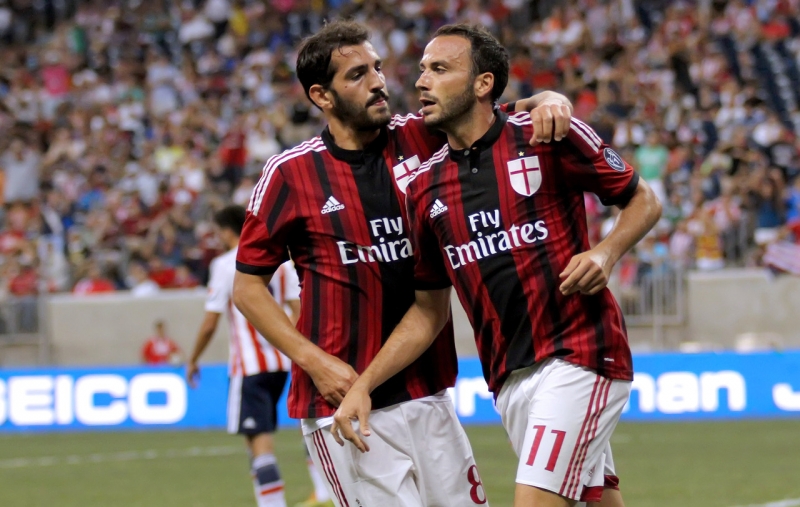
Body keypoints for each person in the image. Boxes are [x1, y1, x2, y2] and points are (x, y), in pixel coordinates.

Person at [232, 20, 573, 507]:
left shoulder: (424, 136)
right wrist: (315, 363)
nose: (378, 82)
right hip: (343, 406)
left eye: (376, 67)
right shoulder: (289, 174)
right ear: (321, 96)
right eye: (357, 75)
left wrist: (549, 100)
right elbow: (247, 289)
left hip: (427, 392)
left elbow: (497, 115)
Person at [331, 24, 662, 507]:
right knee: (596, 500)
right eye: (422, 70)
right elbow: (428, 310)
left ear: (483, 83)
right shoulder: (423, 188)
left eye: (439, 69)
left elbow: (642, 200)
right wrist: (363, 385)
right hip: (509, 377)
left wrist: (605, 252)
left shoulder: (548, 134)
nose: (422, 81)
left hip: (580, 355)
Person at [186, 205, 330, 507]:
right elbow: (298, 310)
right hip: (286, 361)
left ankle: (272, 504)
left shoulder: (226, 264)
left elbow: (211, 321)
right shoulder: (281, 263)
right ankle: (324, 491)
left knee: (259, 439)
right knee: (308, 423)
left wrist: (193, 358)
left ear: (226, 231)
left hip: (250, 366)